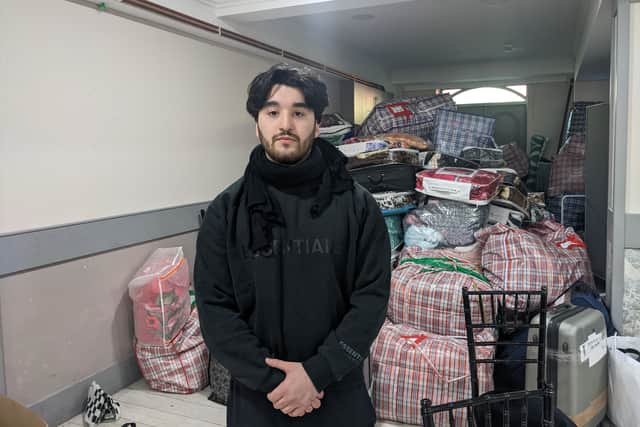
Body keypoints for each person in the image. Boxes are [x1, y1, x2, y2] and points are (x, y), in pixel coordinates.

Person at [194, 63, 390, 427]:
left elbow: (372, 298)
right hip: (260, 398)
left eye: (298, 112)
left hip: (337, 390)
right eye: (272, 112)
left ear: (317, 124)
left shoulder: (358, 206)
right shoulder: (226, 211)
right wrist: (278, 383)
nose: (285, 124)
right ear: (257, 124)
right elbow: (215, 308)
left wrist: (317, 373)